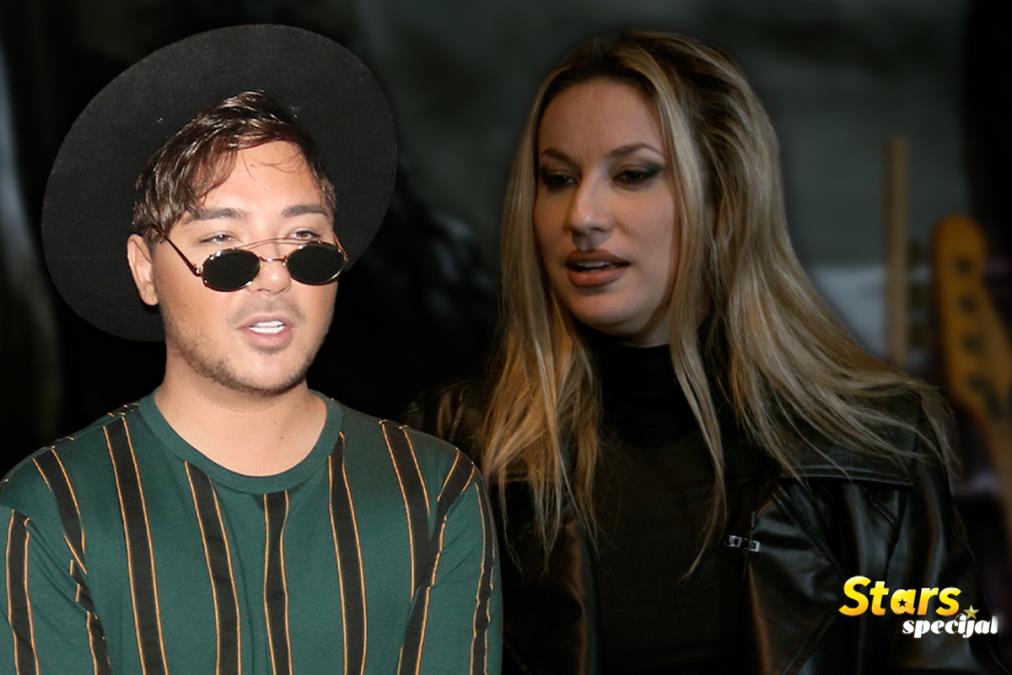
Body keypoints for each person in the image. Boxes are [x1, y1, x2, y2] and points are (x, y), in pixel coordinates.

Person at [406, 30, 1007, 674]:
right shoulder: (455, 448)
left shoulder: (881, 447)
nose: (581, 215)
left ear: (724, 197)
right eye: (557, 178)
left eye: (632, 174)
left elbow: (945, 650)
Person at [0, 25, 499, 674]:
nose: (273, 278)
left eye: (304, 242)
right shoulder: (52, 509)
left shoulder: (433, 492)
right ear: (145, 268)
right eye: (224, 248)